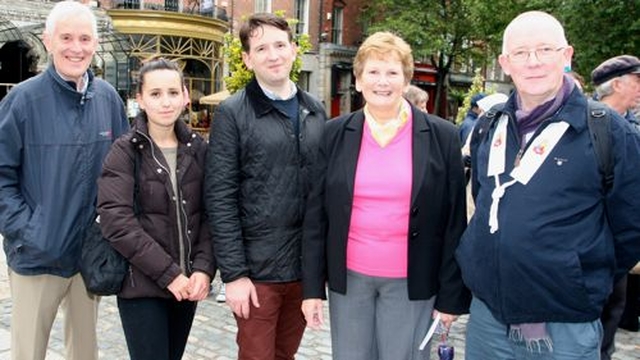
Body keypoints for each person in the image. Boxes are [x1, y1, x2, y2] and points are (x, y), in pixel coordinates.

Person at [456, 11, 640, 360]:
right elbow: (485, 200)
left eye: (545, 49)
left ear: (566, 56)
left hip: (565, 323)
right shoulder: (489, 125)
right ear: (505, 63)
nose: (534, 62)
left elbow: (632, 227)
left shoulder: (608, 130)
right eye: (521, 53)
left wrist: (579, 275)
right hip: (488, 317)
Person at [301, 31, 470, 360]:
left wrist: (451, 298)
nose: (383, 81)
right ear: (359, 80)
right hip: (349, 280)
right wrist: (311, 290)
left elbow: (454, 223)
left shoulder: (442, 136)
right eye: (373, 72)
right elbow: (316, 216)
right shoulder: (334, 133)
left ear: (406, 80)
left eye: (392, 72)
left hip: (413, 281)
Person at [0, 2, 129, 359]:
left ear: (95, 42)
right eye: (67, 37)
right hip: (36, 256)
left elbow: (123, 172)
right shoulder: (22, 100)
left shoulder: (108, 99)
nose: (77, 47)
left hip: (89, 256)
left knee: (84, 352)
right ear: (48, 40)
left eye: (85, 38)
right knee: (28, 351)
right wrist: (28, 229)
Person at [203, 13, 327, 360]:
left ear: (293, 50)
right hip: (257, 273)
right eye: (261, 48)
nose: (272, 55)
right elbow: (220, 196)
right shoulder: (232, 113)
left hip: (303, 271)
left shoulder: (314, 111)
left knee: (285, 356)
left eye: (279, 45)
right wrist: (235, 275)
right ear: (247, 58)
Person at [96, 58, 214, 360]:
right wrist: (169, 274)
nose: (166, 102)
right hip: (142, 288)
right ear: (140, 99)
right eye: (156, 93)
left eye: (173, 93)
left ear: (186, 97)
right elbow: (116, 221)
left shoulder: (199, 149)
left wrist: (203, 268)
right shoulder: (125, 151)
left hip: (188, 287)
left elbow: (212, 215)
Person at [592, 54, 640, 359]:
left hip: (616, 250)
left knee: (610, 320)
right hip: (593, 249)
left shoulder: (628, 126)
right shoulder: (591, 125)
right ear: (618, 84)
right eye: (637, 81)